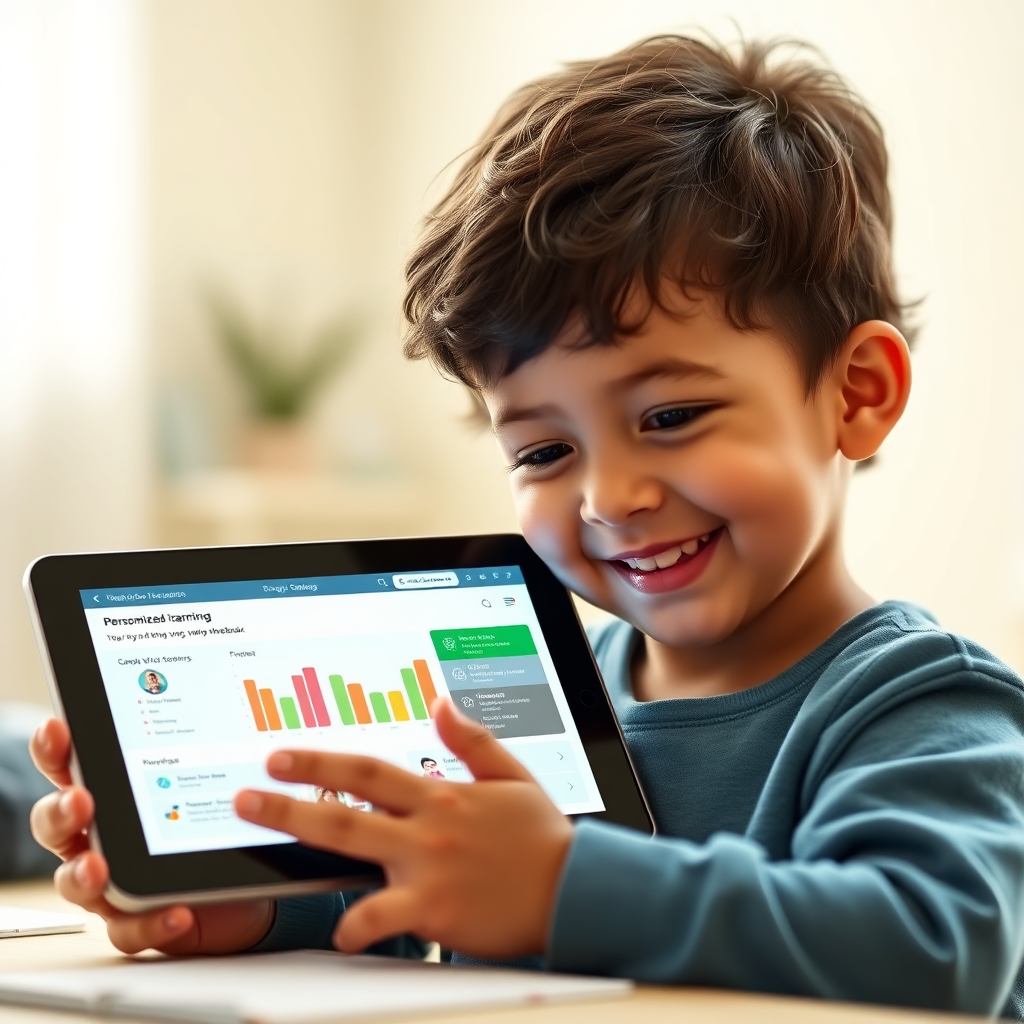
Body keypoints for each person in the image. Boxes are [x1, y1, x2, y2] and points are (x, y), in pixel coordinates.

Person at [28, 35, 1024, 1015]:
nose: (608, 498)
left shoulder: (921, 706)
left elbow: (936, 946)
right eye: (544, 451)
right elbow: (449, 891)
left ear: (857, 393)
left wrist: (560, 887)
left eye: (670, 417)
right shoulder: (555, 684)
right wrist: (255, 913)